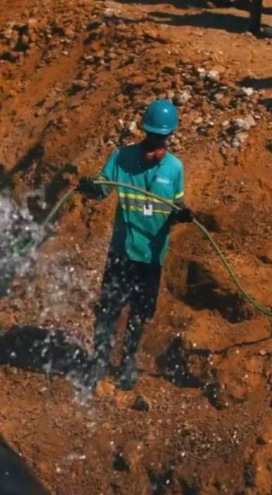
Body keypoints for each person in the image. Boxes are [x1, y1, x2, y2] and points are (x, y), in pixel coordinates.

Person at [77, 99, 193, 391]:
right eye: (151, 138)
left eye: (161, 139)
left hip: (151, 255)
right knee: (109, 308)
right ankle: (100, 361)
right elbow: (102, 189)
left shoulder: (175, 168)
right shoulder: (122, 158)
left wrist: (182, 214)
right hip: (123, 251)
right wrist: (91, 187)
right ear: (145, 133)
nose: (155, 146)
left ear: (169, 136)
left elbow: (176, 204)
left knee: (141, 313)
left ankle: (127, 361)